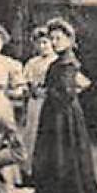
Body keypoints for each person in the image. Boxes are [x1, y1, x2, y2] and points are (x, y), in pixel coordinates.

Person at [27, 17, 97, 193]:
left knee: (64, 153)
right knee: (53, 153)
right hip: (55, 111)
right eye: (52, 39)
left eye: (58, 39)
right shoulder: (60, 61)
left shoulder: (68, 62)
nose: (54, 43)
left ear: (69, 40)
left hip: (63, 113)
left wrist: (46, 92)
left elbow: (68, 92)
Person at [20, 25, 55, 168]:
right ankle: (29, 168)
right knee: (32, 133)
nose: (42, 46)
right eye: (39, 43)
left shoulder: (57, 61)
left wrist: (51, 92)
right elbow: (24, 84)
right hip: (34, 102)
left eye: (45, 42)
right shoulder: (32, 62)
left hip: (50, 102)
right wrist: (30, 89)